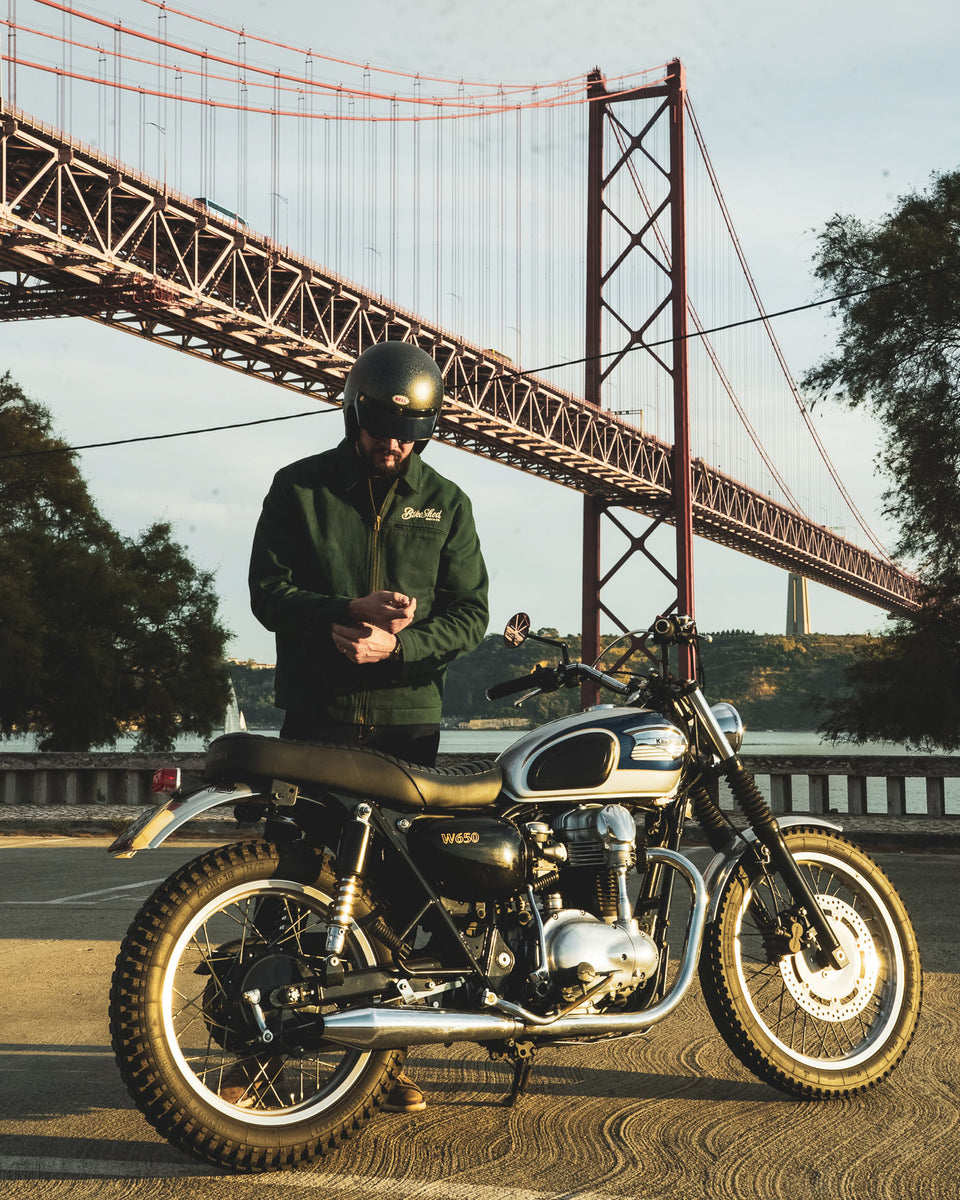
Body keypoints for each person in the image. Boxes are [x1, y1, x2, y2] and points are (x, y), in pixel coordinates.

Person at [248, 340, 489, 1113]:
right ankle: (254, 1043)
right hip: (315, 719)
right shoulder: (299, 488)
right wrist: (340, 616)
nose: (393, 447)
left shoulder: (446, 502)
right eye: (381, 430)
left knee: (394, 895)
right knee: (288, 876)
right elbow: (266, 593)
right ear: (354, 413)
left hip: (407, 726)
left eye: (409, 434)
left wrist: (404, 644)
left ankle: (385, 1061)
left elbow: (472, 614)